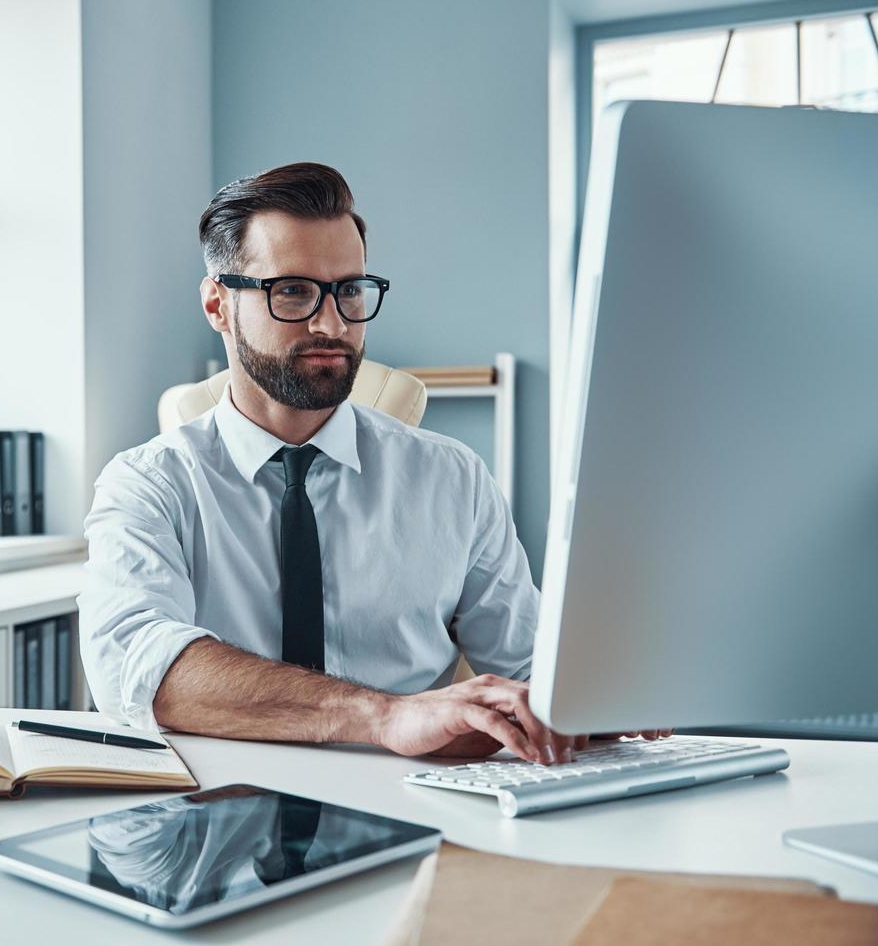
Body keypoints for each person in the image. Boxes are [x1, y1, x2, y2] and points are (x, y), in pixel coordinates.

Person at [78, 162, 667, 766]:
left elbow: (529, 665)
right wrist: (386, 716)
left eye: (349, 291)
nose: (331, 324)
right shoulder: (148, 484)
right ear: (217, 305)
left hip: (419, 805)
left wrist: (599, 695)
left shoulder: (452, 479)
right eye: (292, 292)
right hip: (219, 814)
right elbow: (136, 664)